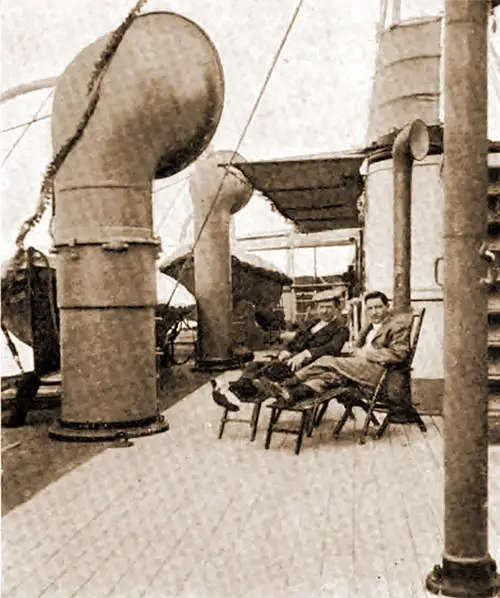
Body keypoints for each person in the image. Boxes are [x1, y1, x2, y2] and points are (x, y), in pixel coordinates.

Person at [275, 291, 413, 416]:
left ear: (387, 307)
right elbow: (357, 348)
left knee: (327, 360)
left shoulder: (397, 327)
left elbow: (399, 354)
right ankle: (292, 394)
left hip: (377, 372)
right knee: (328, 377)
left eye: (378, 307)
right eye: (370, 308)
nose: (374, 312)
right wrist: (356, 351)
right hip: (359, 369)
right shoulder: (369, 326)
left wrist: (366, 354)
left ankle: (289, 382)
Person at [226, 289, 350, 401]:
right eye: (321, 307)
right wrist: (286, 350)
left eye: (329, 307)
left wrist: (306, 354)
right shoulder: (313, 324)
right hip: (293, 360)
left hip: (312, 365)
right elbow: (297, 339)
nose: (324, 311)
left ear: (336, 308)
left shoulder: (341, 329)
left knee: (269, 371)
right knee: (254, 365)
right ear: (316, 308)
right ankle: (237, 390)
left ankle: (238, 390)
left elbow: (332, 348)